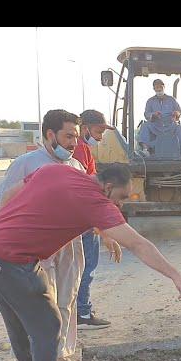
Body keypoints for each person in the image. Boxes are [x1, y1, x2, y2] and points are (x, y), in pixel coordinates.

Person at [0, 162, 181, 361]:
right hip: (9, 260)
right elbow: (139, 245)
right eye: (121, 197)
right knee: (49, 325)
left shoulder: (58, 170)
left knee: (20, 323)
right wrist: (177, 278)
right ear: (108, 187)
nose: (120, 205)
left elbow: (11, 193)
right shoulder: (97, 203)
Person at [0, 109, 86, 361]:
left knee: (66, 301)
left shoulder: (76, 166)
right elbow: (2, 204)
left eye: (76, 137)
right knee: (40, 307)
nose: (73, 143)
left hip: (69, 247)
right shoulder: (26, 164)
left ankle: (61, 357)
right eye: (68, 136)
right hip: (35, 251)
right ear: (49, 134)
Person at [73, 109, 121, 330]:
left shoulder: (83, 150)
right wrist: (102, 229)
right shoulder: (81, 150)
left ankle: (75, 312)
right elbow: (84, 194)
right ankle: (82, 313)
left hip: (78, 220)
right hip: (83, 222)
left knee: (76, 269)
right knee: (86, 267)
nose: (101, 136)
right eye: (98, 131)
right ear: (84, 129)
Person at [139, 79, 181, 158]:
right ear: (154, 89)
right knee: (144, 126)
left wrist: (176, 113)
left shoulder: (172, 100)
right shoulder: (150, 101)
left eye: (160, 87)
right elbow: (146, 114)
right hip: (156, 127)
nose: (159, 89)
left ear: (164, 87)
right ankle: (145, 150)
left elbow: (179, 111)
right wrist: (153, 115)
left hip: (170, 125)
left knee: (180, 128)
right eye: (157, 88)